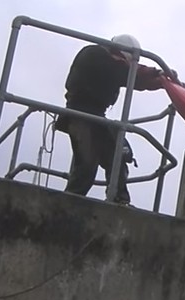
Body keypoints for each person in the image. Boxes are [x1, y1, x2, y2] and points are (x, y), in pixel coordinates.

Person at [55, 34, 173, 204]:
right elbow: (127, 72)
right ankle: (68, 203)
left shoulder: (113, 64)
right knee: (87, 165)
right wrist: (156, 72)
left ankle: (119, 200)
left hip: (96, 116)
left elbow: (135, 80)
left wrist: (164, 83)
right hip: (80, 113)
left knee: (116, 158)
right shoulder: (95, 54)